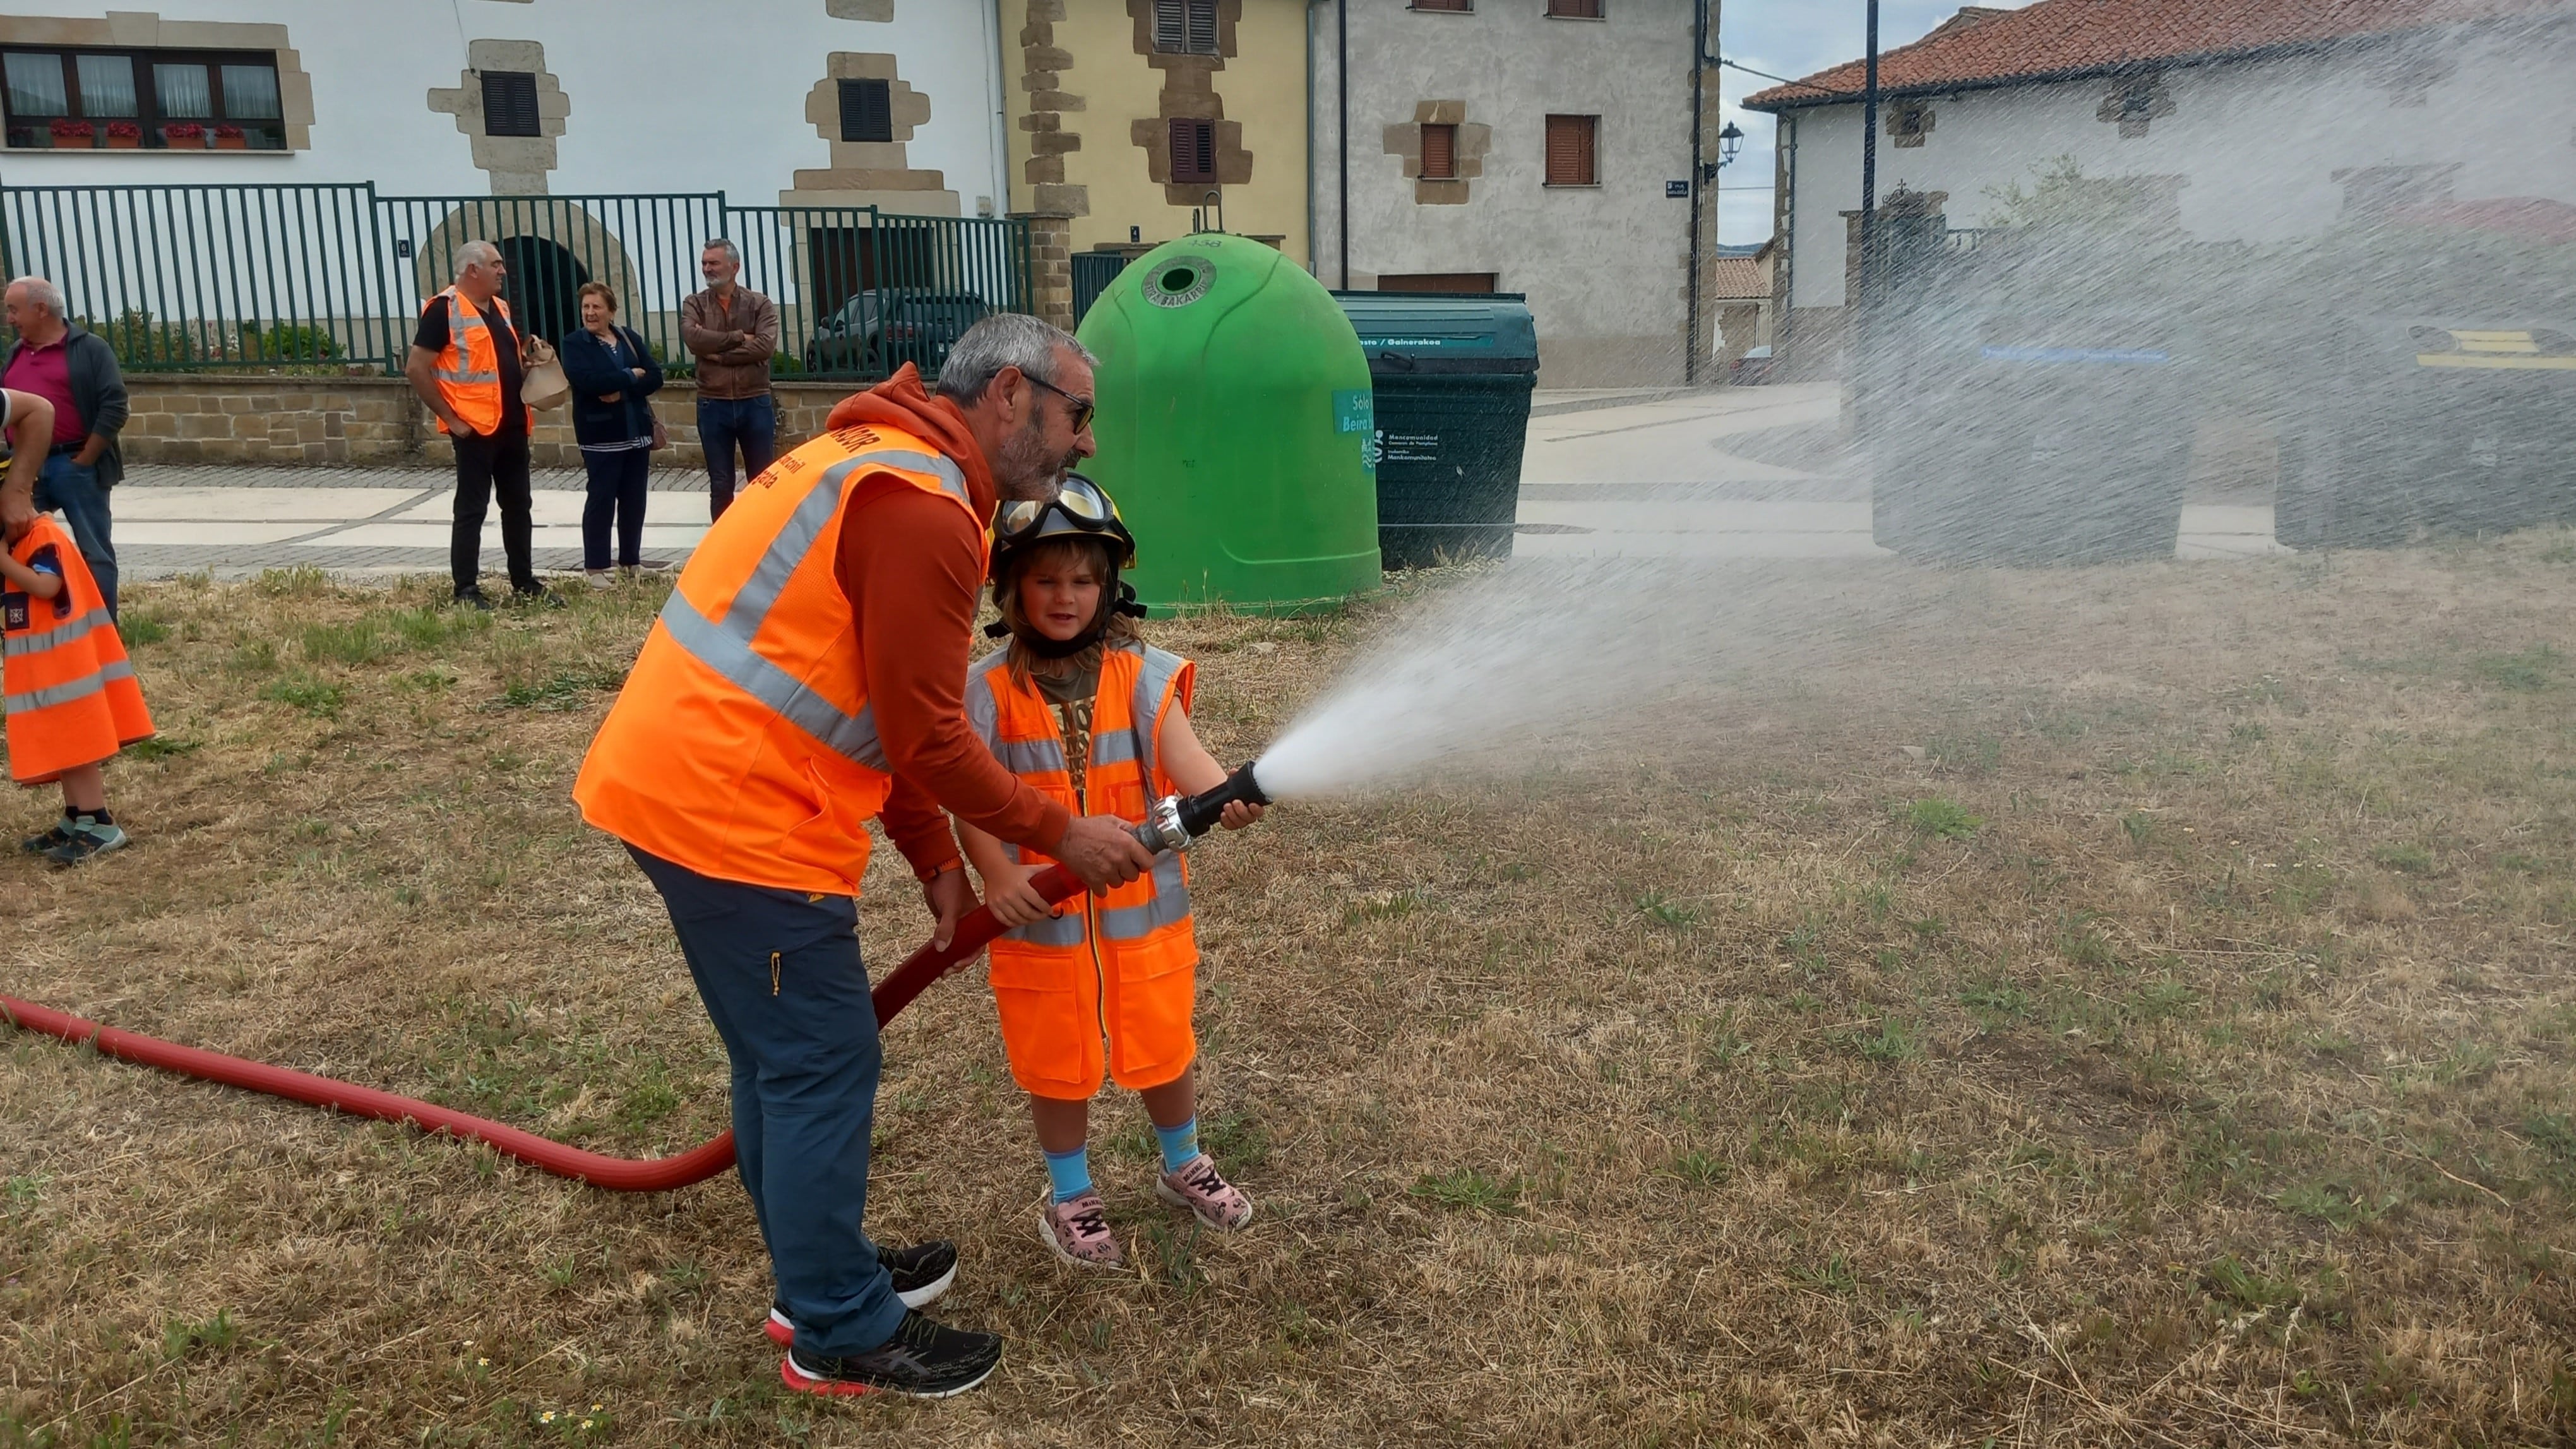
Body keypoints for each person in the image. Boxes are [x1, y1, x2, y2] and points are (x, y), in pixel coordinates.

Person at [571, 313, 1159, 1400]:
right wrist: (1055, 830)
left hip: (688, 788)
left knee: (783, 1062)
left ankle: (818, 1272)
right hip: (736, 816)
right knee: (818, 1062)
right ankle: (839, 1325)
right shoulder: (924, 509)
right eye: (1077, 415)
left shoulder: (874, 459)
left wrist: (937, 855)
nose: (1086, 443)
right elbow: (932, 732)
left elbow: (882, 709)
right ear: (1010, 397)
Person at [957, 473, 1263, 1271]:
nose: (1067, 596)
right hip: (1042, 926)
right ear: (1013, 589)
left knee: (1166, 1043)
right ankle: (1072, 1197)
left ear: (1111, 584)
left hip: (1146, 923)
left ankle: (1183, 1162)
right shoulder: (984, 692)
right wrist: (994, 878)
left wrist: (1225, 796)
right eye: (1047, 579)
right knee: (1056, 1062)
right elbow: (970, 803)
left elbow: (1188, 762)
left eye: (1084, 580)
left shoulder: (1146, 677)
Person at [0, 386, 152, 866]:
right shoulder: (21, 543)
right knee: (64, 746)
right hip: (46, 678)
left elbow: (47, 590)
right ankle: (75, 817)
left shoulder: (42, 538)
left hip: (67, 680)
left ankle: (99, 821)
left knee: (77, 745)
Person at [403, 241, 545, 610]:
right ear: (472, 270)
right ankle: (466, 588)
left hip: (512, 424)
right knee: (471, 509)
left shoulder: (499, 307)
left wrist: (524, 365)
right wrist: (451, 419)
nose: (503, 271)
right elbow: (416, 368)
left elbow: (496, 361)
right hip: (474, 430)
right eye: (496, 265)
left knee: (519, 506)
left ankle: (524, 581)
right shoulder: (444, 310)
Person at [2, 277, 129, 619]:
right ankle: (28, 626)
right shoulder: (16, 354)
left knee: (94, 552)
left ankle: (104, 630)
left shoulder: (90, 349)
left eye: (14, 310)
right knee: (19, 547)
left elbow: (115, 405)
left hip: (74, 466)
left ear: (41, 309)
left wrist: (85, 458)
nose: (9, 319)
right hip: (25, 470)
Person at [559, 282, 665, 585]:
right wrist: (629, 376)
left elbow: (655, 376)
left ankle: (631, 561)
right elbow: (588, 382)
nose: (590, 313)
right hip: (600, 435)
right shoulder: (574, 343)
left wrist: (621, 392)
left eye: (596, 307)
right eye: (586, 307)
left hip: (636, 430)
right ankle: (595, 567)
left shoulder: (628, 338)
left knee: (634, 499)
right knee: (601, 499)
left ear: (611, 311)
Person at [679, 239, 778, 522]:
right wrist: (738, 337)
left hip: (754, 401)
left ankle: (762, 543)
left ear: (734, 267)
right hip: (713, 403)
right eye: (704, 263)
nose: (707, 269)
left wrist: (719, 355)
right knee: (720, 484)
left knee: (762, 481)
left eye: (714, 263)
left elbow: (765, 347)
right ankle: (723, 550)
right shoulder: (694, 303)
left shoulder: (760, 304)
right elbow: (693, 340)